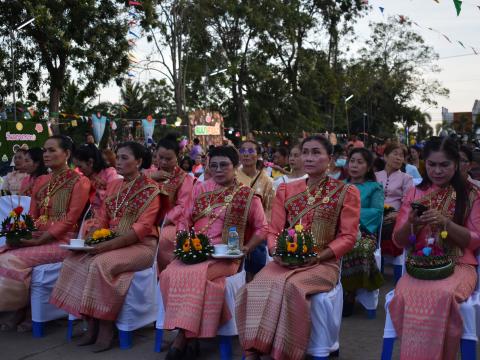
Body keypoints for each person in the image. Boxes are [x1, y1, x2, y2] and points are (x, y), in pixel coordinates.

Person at [235, 135, 360, 360]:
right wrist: (276, 252)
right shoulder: (286, 189)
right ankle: (254, 349)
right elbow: (274, 230)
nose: (309, 158)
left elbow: (348, 237)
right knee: (253, 287)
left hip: (324, 263)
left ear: (330, 159)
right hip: (286, 260)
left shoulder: (346, 192)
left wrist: (319, 256)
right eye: (306, 153)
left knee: (292, 287)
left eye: (316, 152)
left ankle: (285, 351)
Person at [50, 142, 160, 352]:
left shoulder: (151, 189)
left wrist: (105, 246)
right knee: (75, 260)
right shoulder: (116, 186)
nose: (118, 161)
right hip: (112, 242)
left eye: (125, 158)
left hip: (141, 246)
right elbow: (103, 218)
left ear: (138, 162)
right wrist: (93, 236)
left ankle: (105, 326)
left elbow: (141, 230)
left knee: (100, 264)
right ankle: (90, 322)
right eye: (117, 157)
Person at [160, 146, 267, 359]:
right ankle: (192, 336)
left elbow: (263, 229)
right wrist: (184, 241)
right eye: (214, 165)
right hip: (195, 251)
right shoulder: (200, 189)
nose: (218, 169)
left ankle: (183, 338)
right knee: (168, 274)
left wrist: (246, 248)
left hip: (226, 255)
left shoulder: (247, 195)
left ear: (235, 166)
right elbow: (184, 220)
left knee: (195, 277)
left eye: (224, 165)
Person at [389, 136, 480, 359]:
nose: (437, 171)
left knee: (442, 294)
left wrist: (446, 223)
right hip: (421, 264)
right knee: (403, 295)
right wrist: (411, 222)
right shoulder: (414, 193)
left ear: (456, 164)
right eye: (431, 164)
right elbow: (398, 241)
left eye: (444, 165)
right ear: (424, 164)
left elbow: (476, 240)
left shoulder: (471, 194)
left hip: (460, 265)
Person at [0, 135, 90, 331]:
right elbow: (32, 215)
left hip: (63, 240)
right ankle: (20, 308)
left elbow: (71, 218)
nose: (46, 154)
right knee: (3, 251)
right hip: (38, 236)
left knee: (11, 259)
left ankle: (22, 310)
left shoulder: (80, 182)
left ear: (66, 153)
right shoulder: (41, 180)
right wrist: (24, 234)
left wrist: (44, 238)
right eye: (45, 150)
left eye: (52, 150)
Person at [342, 148, 384, 316]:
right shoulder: (340, 186)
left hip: (364, 232)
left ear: (368, 167)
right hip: (339, 231)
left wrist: (349, 214)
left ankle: (350, 292)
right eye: (352, 161)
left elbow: (376, 212)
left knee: (358, 248)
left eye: (360, 162)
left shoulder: (375, 188)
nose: (355, 165)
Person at [152, 135, 195, 271]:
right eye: (160, 157)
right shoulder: (149, 174)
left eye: (168, 159)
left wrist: (163, 220)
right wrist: (150, 178)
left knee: (163, 238)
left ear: (178, 156)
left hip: (171, 222)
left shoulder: (184, 178)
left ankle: (164, 273)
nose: (163, 162)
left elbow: (182, 206)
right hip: (146, 220)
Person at [72, 144, 120, 236]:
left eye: (80, 166)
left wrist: (97, 191)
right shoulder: (83, 178)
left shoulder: (110, 173)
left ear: (90, 162)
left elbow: (113, 200)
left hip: (107, 218)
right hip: (89, 218)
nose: (79, 170)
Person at [375, 143, 414, 257]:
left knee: (390, 226)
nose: (398, 158)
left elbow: (407, 202)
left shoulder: (406, 178)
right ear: (385, 157)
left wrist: (398, 215)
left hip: (394, 215)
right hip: (376, 213)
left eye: (401, 155)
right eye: (395, 154)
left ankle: (385, 251)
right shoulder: (375, 175)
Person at [237, 140, 275, 218]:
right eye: (242, 150)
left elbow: (269, 210)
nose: (246, 154)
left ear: (258, 156)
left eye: (251, 151)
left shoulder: (267, 181)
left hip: (258, 225)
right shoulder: (232, 177)